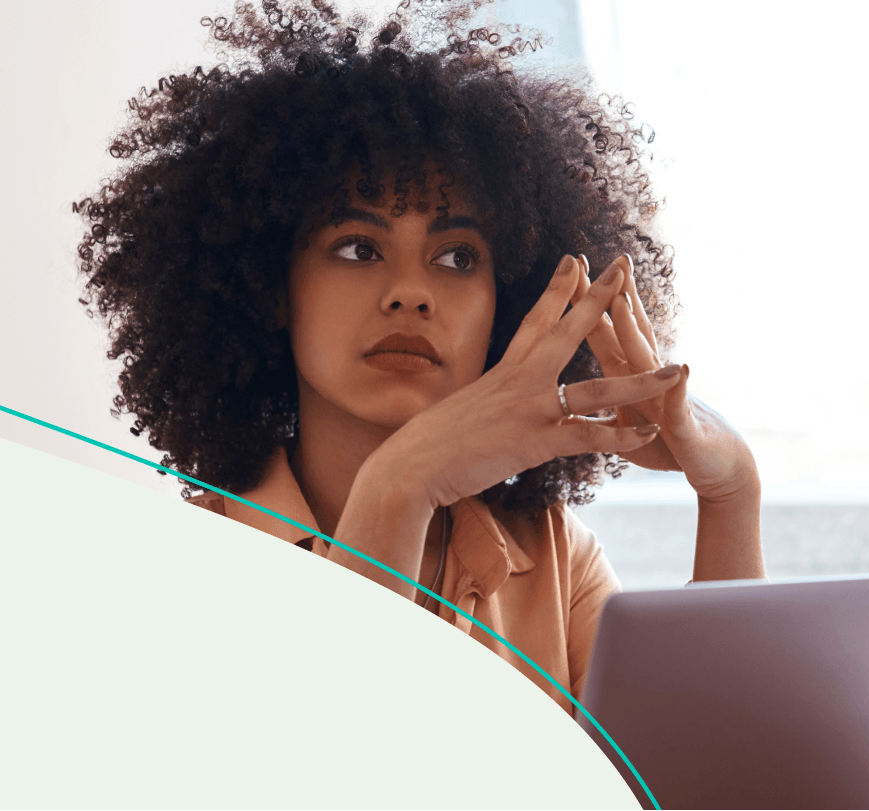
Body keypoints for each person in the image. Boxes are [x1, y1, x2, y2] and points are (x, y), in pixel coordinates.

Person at [74, 0, 764, 714]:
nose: (410, 292)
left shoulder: (550, 558)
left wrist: (731, 495)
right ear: (271, 289)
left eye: (457, 256)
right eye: (358, 247)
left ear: (511, 300)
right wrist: (396, 489)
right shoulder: (181, 576)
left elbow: (697, 775)